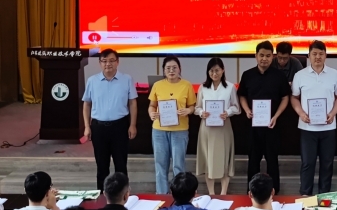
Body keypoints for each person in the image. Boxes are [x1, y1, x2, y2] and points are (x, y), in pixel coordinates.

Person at [291, 40, 337, 196]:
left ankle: (324, 195)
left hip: (328, 127)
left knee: (327, 163)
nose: (318, 57)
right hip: (307, 128)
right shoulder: (300, 75)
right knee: (307, 163)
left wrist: (333, 113)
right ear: (309, 56)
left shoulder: (334, 74)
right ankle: (305, 194)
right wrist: (301, 113)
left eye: (321, 54)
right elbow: (294, 97)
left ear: (325, 56)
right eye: (314, 54)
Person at [237, 41, 291, 192]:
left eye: (268, 56)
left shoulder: (279, 76)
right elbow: (242, 95)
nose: (264, 59)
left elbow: (285, 97)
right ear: (256, 56)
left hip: (272, 126)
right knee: (253, 161)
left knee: (272, 160)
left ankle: (274, 191)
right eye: (261, 55)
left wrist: (276, 116)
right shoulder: (247, 75)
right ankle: (251, 191)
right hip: (253, 126)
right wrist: (247, 110)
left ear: (272, 57)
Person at [82, 49, 138, 189]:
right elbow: (87, 104)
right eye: (104, 61)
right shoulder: (92, 81)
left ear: (118, 62)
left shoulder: (127, 79)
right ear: (100, 63)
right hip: (98, 128)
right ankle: (102, 197)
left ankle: (123, 195)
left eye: (112, 60)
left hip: (120, 126)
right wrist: (87, 126)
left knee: (121, 166)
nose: (108, 64)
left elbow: (132, 103)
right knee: (102, 167)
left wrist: (132, 125)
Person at [148, 55, 196, 194]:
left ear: (179, 69)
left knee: (178, 166)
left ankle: (179, 195)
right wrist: (151, 113)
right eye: (168, 68)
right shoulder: (158, 85)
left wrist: (188, 110)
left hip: (179, 131)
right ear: (163, 70)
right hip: (159, 131)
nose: (171, 70)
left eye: (174, 67)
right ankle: (162, 196)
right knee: (160, 166)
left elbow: (192, 106)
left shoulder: (186, 85)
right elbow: (152, 105)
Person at [195, 56, 240, 196]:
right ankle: (211, 193)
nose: (214, 74)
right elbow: (197, 108)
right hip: (207, 128)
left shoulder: (230, 87)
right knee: (208, 160)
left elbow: (236, 107)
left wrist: (228, 112)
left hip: (223, 127)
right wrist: (202, 112)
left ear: (223, 70)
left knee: (224, 159)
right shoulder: (203, 87)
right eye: (211, 71)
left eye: (217, 70)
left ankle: (223, 193)